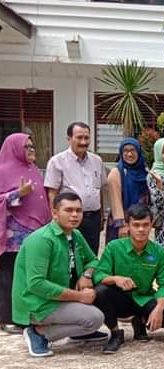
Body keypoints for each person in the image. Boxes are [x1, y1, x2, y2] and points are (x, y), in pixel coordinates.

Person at [12, 192, 106, 357]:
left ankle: (80, 332)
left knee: (103, 291)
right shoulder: (42, 240)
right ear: (55, 213)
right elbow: (36, 284)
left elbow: (94, 261)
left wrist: (87, 275)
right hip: (39, 303)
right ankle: (39, 333)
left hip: (61, 297)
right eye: (69, 210)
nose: (75, 215)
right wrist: (79, 297)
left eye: (78, 210)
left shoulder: (75, 234)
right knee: (95, 318)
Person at [93, 204, 164, 354]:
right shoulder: (114, 247)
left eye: (145, 225)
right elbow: (99, 275)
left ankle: (140, 322)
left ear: (151, 225)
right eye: (136, 225)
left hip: (145, 298)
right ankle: (115, 333)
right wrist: (115, 279)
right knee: (100, 291)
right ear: (128, 226)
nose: (141, 229)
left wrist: (159, 309)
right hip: (121, 299)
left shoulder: (159, 251)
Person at [0, 133, 51, 335]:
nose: (31, 150)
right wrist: (17, 194)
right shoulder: (3, 171)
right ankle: (6, 317)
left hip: (34, 232)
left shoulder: (33, 169)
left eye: (32, 146)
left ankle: (24, 315)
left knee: (27, 276)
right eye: (26, 146)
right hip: (13, 235)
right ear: (14, 148)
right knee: (9, 275)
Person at [44, 121, 107, 254]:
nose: (83, 142)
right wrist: (55, 217)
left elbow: (99, 190)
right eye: (79, 137)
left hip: (92, 218)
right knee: (70, 254)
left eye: (86, 138)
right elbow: (52, 193)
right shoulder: (57, 162)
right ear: (69, 139)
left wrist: (101, 217)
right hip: (68, 218)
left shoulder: (97, 161)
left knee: (91, 254)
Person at [105, 137, 149, 243]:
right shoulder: (116, 173)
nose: (129, 154)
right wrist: (122, 225)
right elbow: (116, 202)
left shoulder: (144, 171)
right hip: (122, 223)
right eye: (125, 151)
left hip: (139, 221)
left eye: (132, 150)